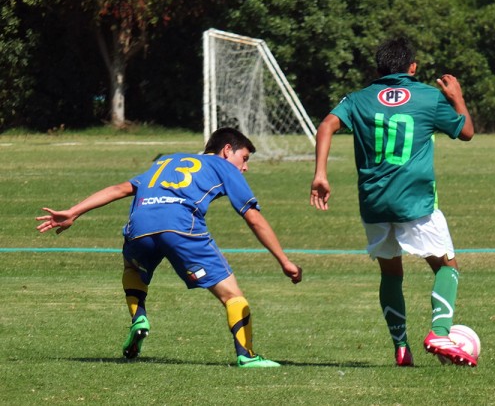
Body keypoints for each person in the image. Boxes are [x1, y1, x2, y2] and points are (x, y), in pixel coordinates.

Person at [36, 127, 302, 368]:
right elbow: (252, 216)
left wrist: (74, 212)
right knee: (232, 296)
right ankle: (247, 355)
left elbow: (120, 188)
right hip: (180, 227)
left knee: (132, 268)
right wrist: (284, 261)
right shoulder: (223, 167)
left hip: (140, 226)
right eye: (244, 159)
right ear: (227, 150)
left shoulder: (166, 161)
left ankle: (139, 317)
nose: (245, 168)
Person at [309, 37, 476, 367]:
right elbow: (467, 131)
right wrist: (458, 99)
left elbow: (326, 124)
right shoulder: (428, 96)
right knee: (447, 266)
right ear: (412, 68)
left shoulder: (358, 99)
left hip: (373, 202)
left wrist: (321, 174)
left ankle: (401, 346)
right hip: (415, 202)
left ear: (377, 68)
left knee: (391, 273)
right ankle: (439, 331)